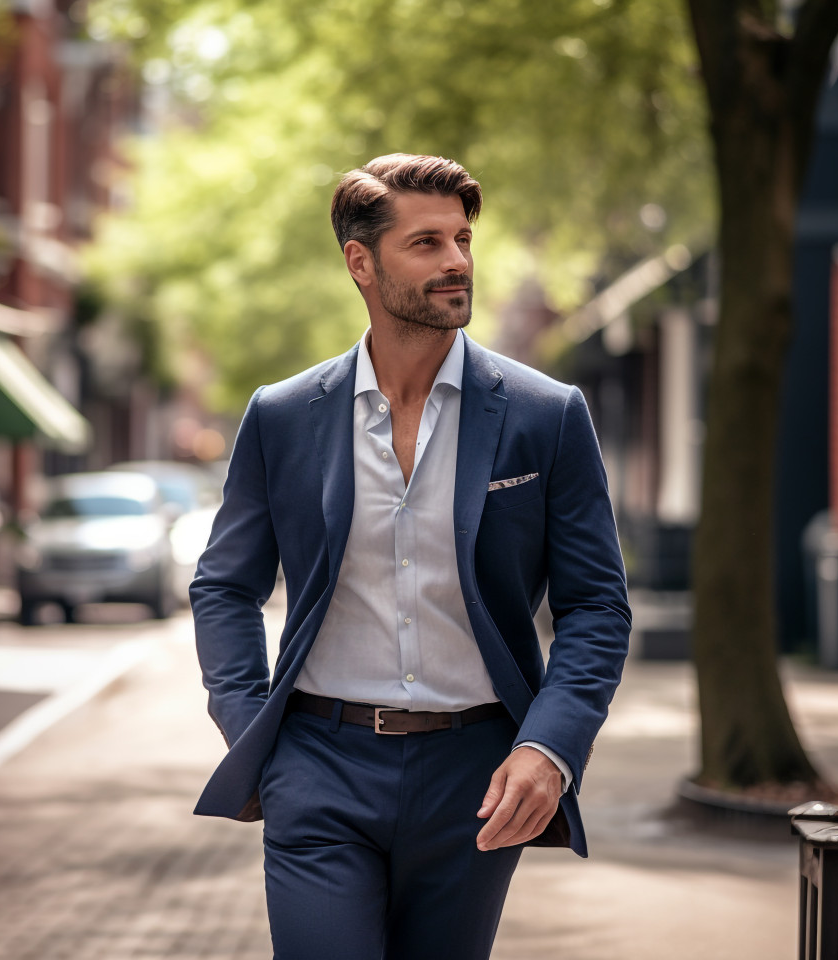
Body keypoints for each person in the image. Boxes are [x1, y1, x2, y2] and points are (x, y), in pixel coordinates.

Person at [190, 153, 631, 960]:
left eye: (463, 239)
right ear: (361, 262)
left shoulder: (546, 415)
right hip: (318, 765)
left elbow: (597, 605)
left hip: (477, 771)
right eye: (426, 243)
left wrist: (549, 748)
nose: (456, 260)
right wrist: (249, 728)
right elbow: (224, 586)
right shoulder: (283, 416)